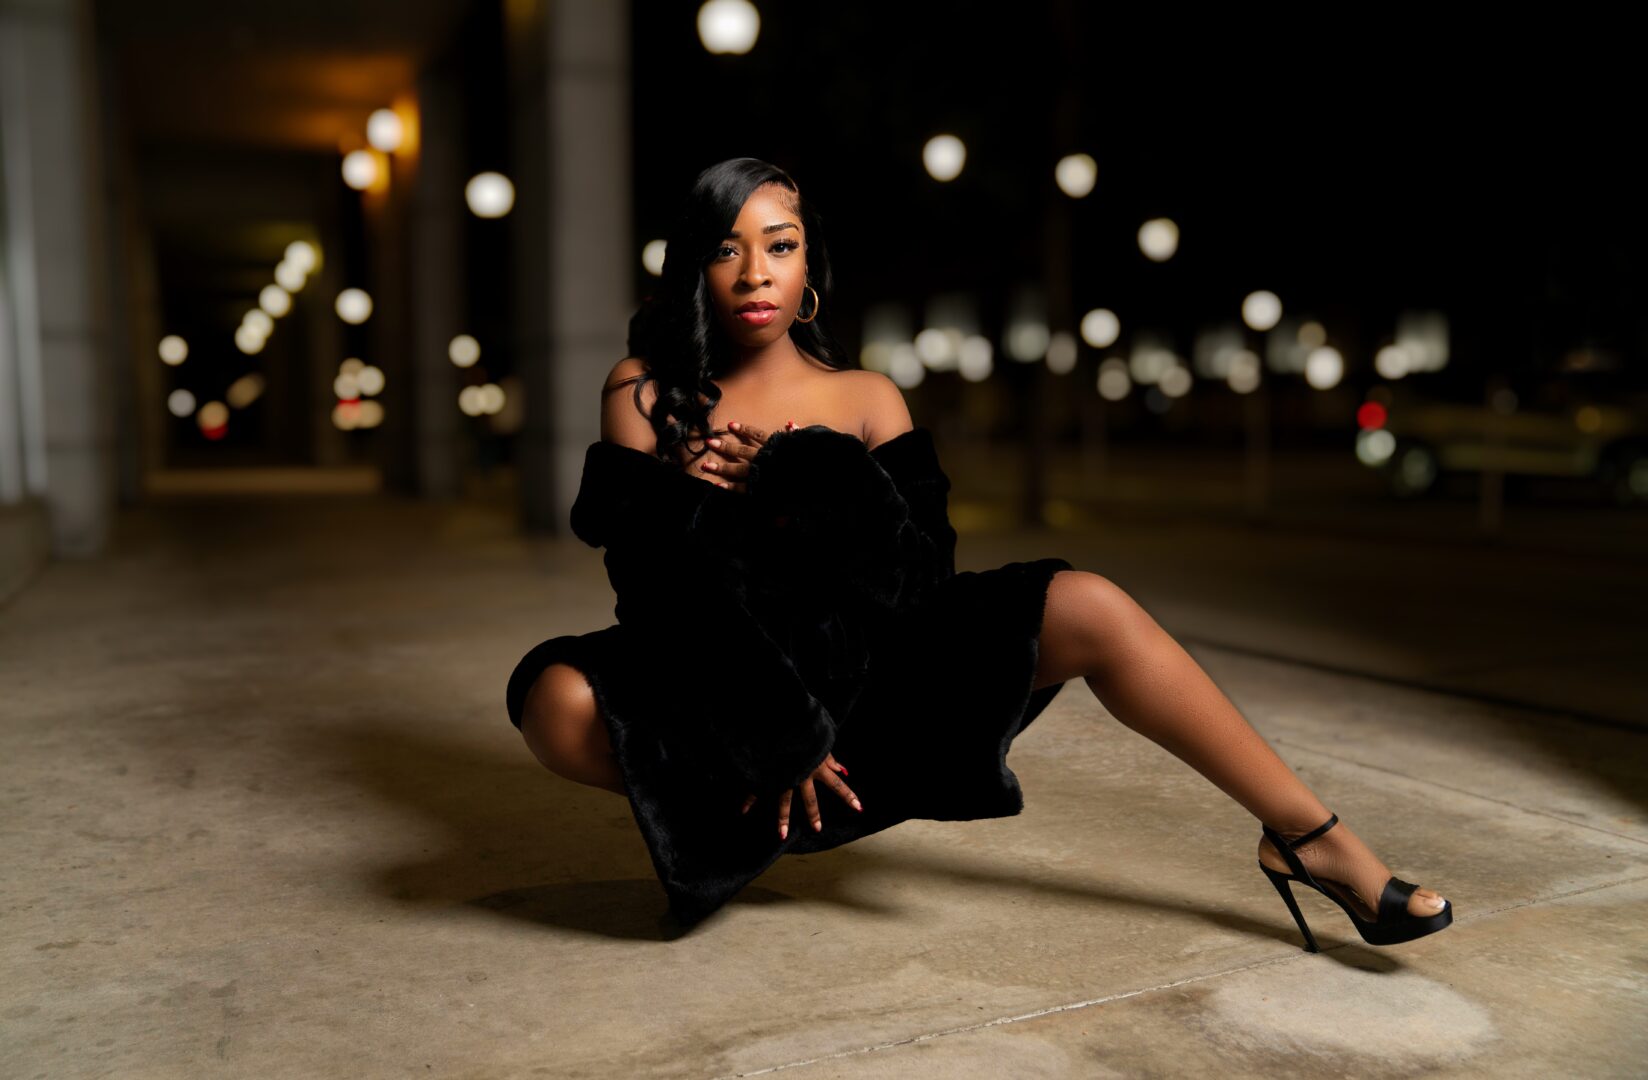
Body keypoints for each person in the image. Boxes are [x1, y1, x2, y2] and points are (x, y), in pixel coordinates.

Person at [507, 157, 1453, 946]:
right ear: (696, 273)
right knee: (557, 701)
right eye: (728, 248)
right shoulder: (644, 390)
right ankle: (742, 813)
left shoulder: (870, 395)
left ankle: (1309, 838)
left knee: (1088, 600)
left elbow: (922, 583)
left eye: (780, 246)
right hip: (729, 705)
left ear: (810, 272)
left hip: (867, 700)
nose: (756, 271)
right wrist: (775, 732)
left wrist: (800, 479)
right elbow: (653, 588)